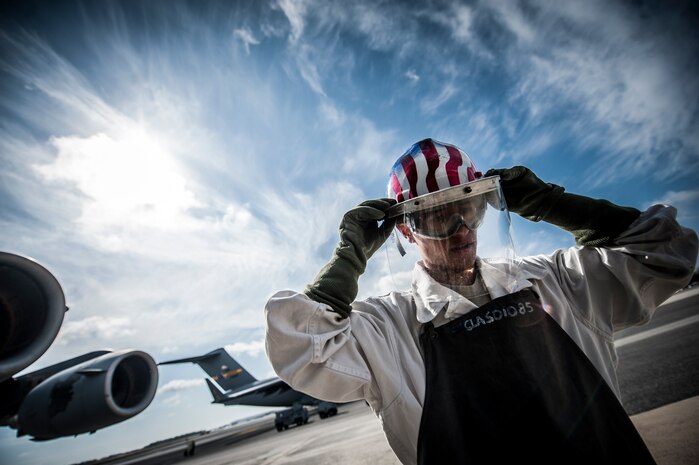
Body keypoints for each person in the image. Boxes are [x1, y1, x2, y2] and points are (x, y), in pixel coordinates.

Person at [264, 138, 697, 465]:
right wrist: (348, 256)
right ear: (407, 231)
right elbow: (301, 346)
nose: (460, 229)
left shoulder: (554, 281)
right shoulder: (386, 328)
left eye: (470, 208)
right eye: (437, 215)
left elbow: (666, 251)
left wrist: (555, 204)